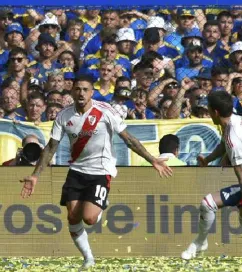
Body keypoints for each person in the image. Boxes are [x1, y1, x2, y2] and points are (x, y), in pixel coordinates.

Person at [20, 75, 173, 270]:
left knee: (89, 218)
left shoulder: (105, 111)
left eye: (85, 89)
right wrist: (35, 175)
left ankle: (101, 203)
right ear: (72, 92)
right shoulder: (64, 116)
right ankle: (88, 258)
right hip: (76, 169)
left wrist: (152, 159)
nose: (81, 93)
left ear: (92, 92)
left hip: (101, 170)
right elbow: (51, 147)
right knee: (72, 217)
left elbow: (128, 139)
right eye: (77, 89)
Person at [181, 91, 242, 265]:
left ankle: (200, 243)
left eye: (208, 109)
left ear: (215, 112)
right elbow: (226, 143)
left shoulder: (234, 137)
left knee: (208, 204)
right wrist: (209, 159)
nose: (208, 113)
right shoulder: (236, 120)